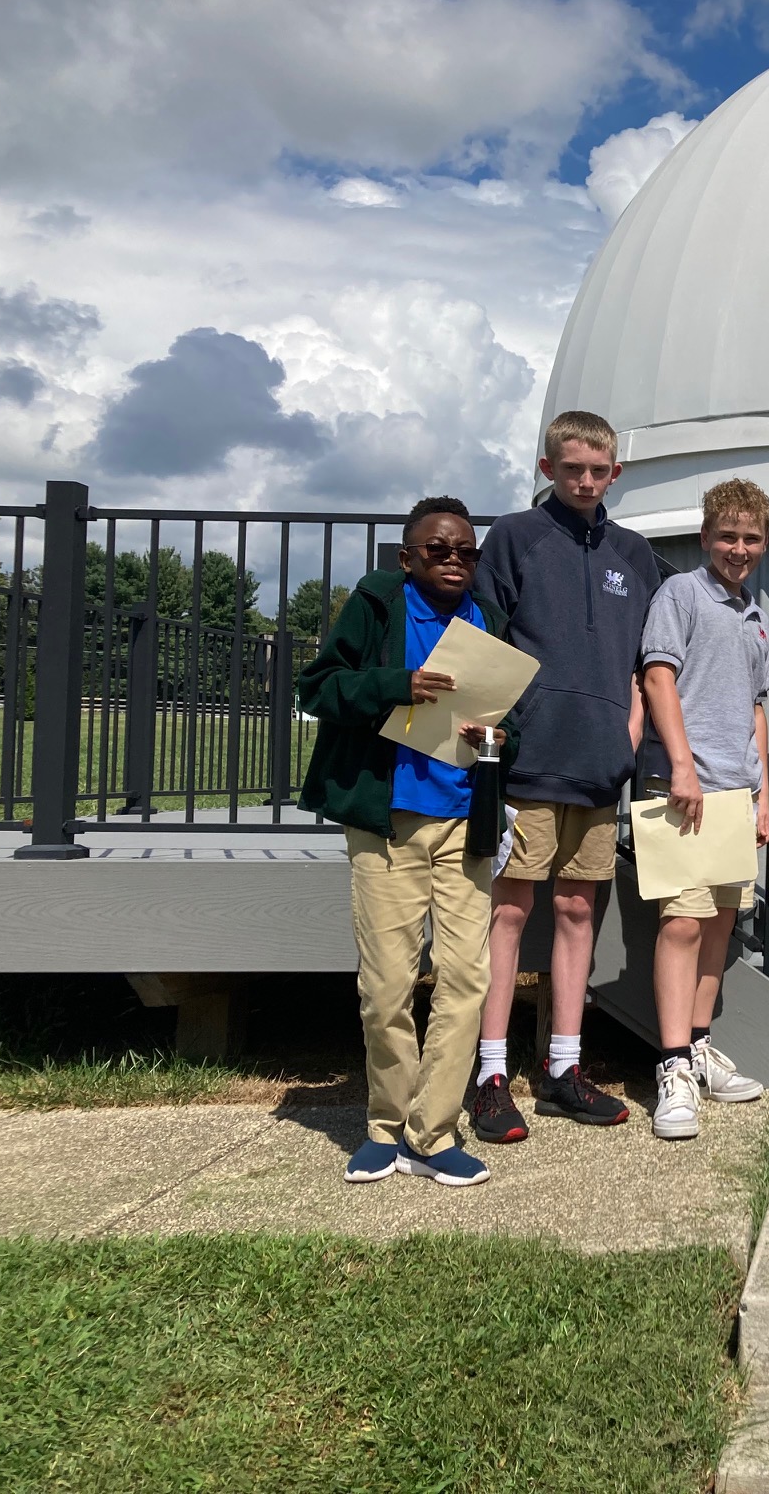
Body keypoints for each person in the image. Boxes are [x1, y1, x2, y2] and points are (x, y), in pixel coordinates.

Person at [298, 495, 516, 1187]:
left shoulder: (486, 619)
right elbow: (319, 688)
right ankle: (384, 1128)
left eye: (465, 552)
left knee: (464, 978)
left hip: (463, 820)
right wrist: (399, 686)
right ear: (407, 557)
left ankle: (433, 1132)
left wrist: (497, 742)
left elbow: (499, 717)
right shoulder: (378, 606)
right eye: (438, 550)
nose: (454, 561)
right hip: (387, 822)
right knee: (388, 985)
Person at [467, 410, 662, 1142]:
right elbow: (486, 641)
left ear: (616, 473)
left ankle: (563, 1070)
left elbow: (649, 662)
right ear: (548, 468)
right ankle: (489, 1073)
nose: (585, 481)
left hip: (598, 770)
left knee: (580, 914)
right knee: (509, 915)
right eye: (572, 468)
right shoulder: (515, 538)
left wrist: (631, 731)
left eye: (599, 470)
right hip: (526, 763)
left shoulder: (634, 555)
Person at [639, 479, 769, 1140]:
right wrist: (684, 765)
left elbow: (756, 710)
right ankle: (670, 1067)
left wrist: (763, 795)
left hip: (735, 794)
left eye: (751, 538)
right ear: (705, 537)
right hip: (683, 789)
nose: (738, 549)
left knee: (720, 926)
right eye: (727, 536)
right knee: (683, 925)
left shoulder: (756, 615)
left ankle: (697, 1046)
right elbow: (657, 675)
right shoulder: (681, 594)